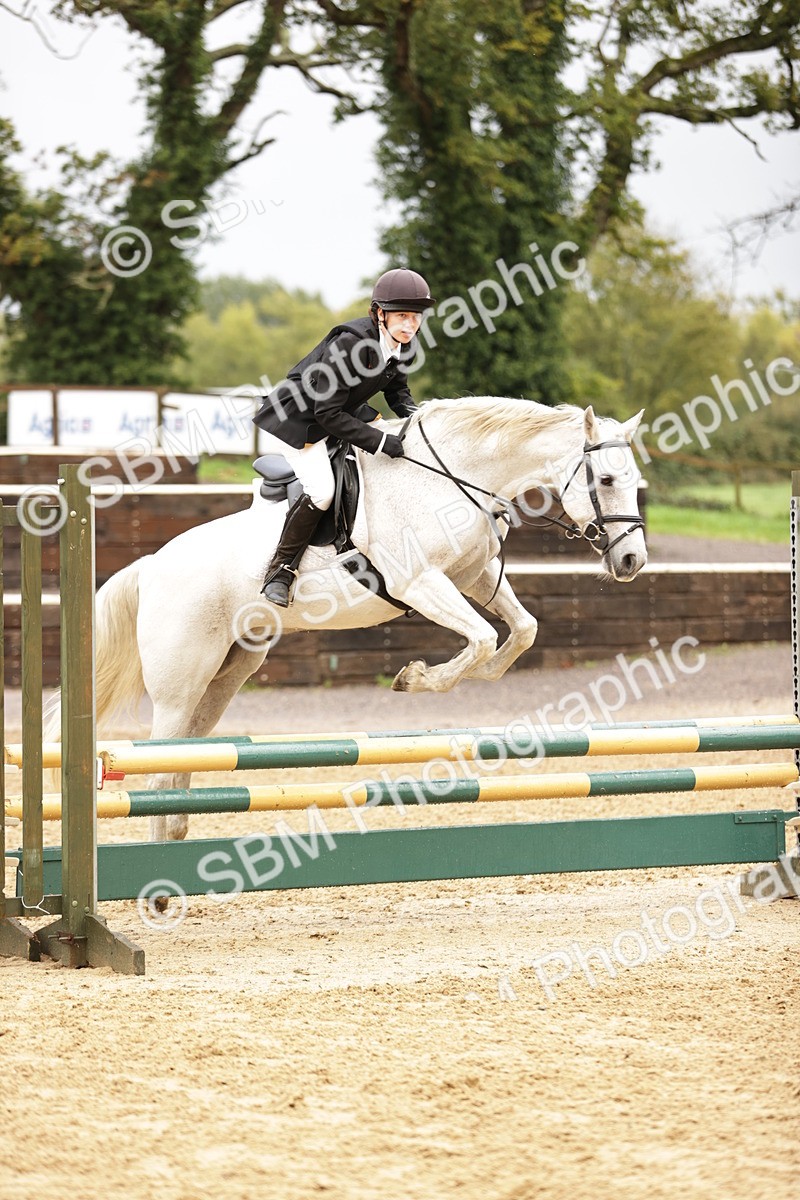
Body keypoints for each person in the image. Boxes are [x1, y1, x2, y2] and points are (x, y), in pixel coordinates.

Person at [253, 267, 435, 606]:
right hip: (301, 422)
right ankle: (280, 571)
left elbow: (398, 392)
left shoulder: (403, 344)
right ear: (380, 314)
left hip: (342, 413)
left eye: (416, 317)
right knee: (322, 491)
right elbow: (326, 413)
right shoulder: (350, 343)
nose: (410, 324)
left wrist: (421, 421)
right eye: (402, 316)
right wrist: (381, 442)